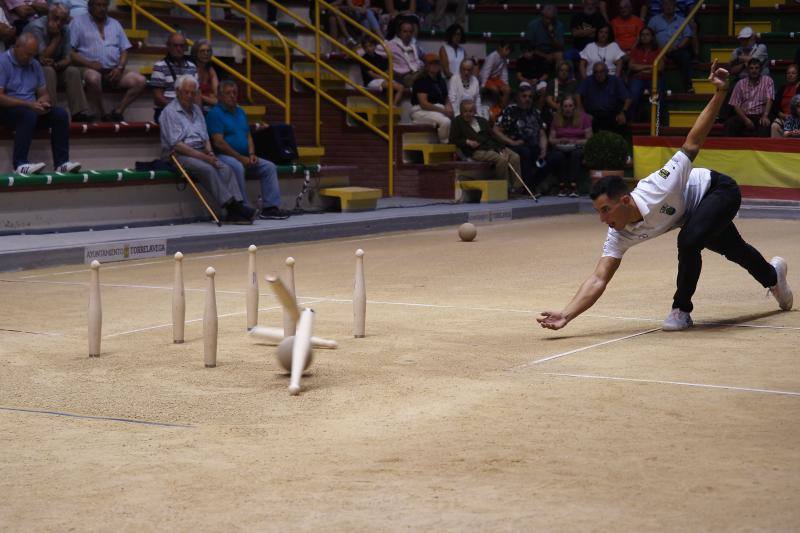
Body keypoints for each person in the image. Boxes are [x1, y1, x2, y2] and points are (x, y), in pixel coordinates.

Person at [537, 61, 793, 333]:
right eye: (599, 212)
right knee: (735, 249)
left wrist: (720, 93)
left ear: (624, 201)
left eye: (605, 210)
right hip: (692, 214)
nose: (602, 219)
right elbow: (599, 278)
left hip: (718, 191)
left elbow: (693, 141)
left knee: (689, 239)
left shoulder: (659, 186)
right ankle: (774, 276)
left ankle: (681, 310)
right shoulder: (618, 233)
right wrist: (567, 314)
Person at [159, 75, 255, 224]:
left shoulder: (197, 110)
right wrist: (206, 158)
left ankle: (237, 207)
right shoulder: (169, 112)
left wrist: (210, 153)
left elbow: (205, 138)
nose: (190, 96)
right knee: (208, 169)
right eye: (186, 92)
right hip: (180, 155)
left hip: (201, 152)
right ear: (177, 91)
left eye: (193, 93)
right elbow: (177, 144)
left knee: (225, 168)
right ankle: (234, 208)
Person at [206, 81, 291, 220]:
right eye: (228, 93)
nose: (233, 96)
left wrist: (251, 154)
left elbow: (248, 136)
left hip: (245, 156)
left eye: (234, 93)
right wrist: (241, 158)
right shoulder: (215, 114)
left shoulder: (240, 112)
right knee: (237, 167)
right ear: (219, 96)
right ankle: (243, 208)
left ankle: (270, 208)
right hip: (223, 156)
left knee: (269, 167)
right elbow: (219, 143)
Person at [0, 32, 80, 175]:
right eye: (27, 54)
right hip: (7, 110)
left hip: (30, 110)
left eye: (33, 55)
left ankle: (61, 163)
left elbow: (43, 93)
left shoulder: (34, 64)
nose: (30, 59)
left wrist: (44, 102)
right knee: (28, 114)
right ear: (16, 47)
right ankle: (19, 164)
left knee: (60, 114)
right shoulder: (2, 62)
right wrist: (28, 104)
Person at [69, 0, 146, 121]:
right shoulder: (77, 22)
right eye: (98, 5)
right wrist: (89, 64)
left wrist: (120, 68)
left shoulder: (115, 24)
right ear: (90, 5)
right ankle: (103, 114)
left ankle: (118, 111)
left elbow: (125, 49)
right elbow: (70, 52)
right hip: (88, 68)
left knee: (140, 80)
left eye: (105, 5)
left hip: (113, 70)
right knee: (93, 78)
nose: (102, 8)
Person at [24, 3, 93, 122]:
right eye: (56, 18)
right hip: (30, 69)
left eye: (63, 20)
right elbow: (43, 56)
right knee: (48, 70)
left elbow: (68, 57)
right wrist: (56, 39)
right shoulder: (36, 27)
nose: (59, 23)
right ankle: (51, 111)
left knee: (72, 71)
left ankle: (79, 113)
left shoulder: (65, 29)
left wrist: (57, 64)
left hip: (53, 66)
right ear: (48, 15)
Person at [449, 99, 522, 189]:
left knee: (515, 156)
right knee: (502, 160)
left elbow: (493, 136)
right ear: (461, 111)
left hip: (492, 146)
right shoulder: (457, 122)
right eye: (465, 111)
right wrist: (467, 142)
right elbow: (452, 140)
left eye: (471, 111)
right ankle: (503, 188)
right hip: (477, 151)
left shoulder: (482, 121)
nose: (468, 114)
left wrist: (502, 148)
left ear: (474, 111)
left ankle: (517, 187)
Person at [494, 85, 548, 193]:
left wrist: (544, 150)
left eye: (530, 97)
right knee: (525, 152)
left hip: (534, 146)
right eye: (524, 96)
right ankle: (528, 188)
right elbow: (496, 130)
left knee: (553, 157)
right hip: (516, 146)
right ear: (518, 97)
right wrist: (512, 142)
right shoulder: (510, 111)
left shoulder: (535, 112)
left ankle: (532, 183)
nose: (527, 99)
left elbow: (542, 134)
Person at [547, 94, 592, 197]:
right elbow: (551, 139)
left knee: (576, 154)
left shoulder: (584, 118)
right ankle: (562, 186)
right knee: (558, 155)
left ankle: (573, 186)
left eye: (570, 106)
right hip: (561, 147)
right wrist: (560, 140)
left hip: (578, 146)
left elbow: (590, 139)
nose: (568, 109)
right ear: (562, 108)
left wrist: (576, 142)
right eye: (565, 106)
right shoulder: (556, 118)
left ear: (575, 107)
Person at [648, 0, 693, 93]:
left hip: (676, 49)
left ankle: (688, 87)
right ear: (662, 7)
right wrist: (658, 48)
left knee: (685, 56)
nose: (668, 7)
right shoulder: (654, 20)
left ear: (675, 7)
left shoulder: (682, 20)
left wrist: (677, 47)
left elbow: (687, 36)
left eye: (671, 4)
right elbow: (648, 35)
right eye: (666, 4)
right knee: (654, 60)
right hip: (658, 50)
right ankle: (656, 89)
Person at [151, 33, 198, 122]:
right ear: (168, 47)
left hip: (189, 110)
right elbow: (158, 98)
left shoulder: (192, 67)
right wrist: (179, 109)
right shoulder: (160, 66)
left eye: (181, 46)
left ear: (185, 48)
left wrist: (198, 112)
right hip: (166, 111)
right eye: (175, 46)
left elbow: (196, 94)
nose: (178, 49)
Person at [578, 61, 631, 135]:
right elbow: (577, 95)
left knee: (622, 122)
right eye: (596, 72)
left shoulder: (615, 80)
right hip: (593, 114)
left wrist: (623, 113)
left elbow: (628, 99)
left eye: (602, 71)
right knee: (585, 121)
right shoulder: (588, 81)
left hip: (612, 114)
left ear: (607, 71)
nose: (599, 74)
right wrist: (582, 112)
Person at [725, 58, 773, 137]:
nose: (754, 70)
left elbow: (769, 99)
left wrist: (765, 115)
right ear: (747, 70)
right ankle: (730, 148)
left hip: (760, 115)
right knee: (730, 123)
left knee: (765, 124)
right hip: (744, 115)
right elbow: (735, 104)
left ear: (760, 69)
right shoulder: (740, 83)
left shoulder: (767, 81)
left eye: (757, 68)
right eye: (751, 68)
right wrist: (745, 119)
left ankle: (761, 149)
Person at [410, 53, 452, 142]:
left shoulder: (441, 81)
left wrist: (448, 108)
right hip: (421, 111)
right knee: (445, 121)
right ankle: (445, 146)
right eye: (431, 63)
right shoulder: (421, 81)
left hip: (437, 110)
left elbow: (446, 98)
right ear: (426, 66)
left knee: (456, 120)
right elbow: (424, 104)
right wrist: (444, 111)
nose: (435, 66)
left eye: (437, 63)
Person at [627, 26, 664, 122]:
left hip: (654, 78)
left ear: (652, 37)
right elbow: (632, 66)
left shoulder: (658, 50)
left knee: (658, 97)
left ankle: (658, 123)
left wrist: (641, 68)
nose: (644, 37)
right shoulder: (636, 49)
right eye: (642, 35)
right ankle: (632, 122)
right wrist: (650, 67)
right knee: (633, 97)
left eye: (647, 34)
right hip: (638, 77)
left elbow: (659, 68)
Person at [361, 34, 404, 105]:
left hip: (383, 79)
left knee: (401, 87)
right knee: (391, 85)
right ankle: (390, 105)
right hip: (371, 82)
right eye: (366, 47)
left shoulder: (379, 57)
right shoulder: (364, 59)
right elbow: (372, 75)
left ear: (375, 46)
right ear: (363, 48)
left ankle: (393, 105)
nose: (368, 49)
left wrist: (387, 74)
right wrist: (385, 77)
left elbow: (387, 70)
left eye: (370, 46)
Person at [379, 19, 423, 87]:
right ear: (399, 33)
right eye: (405, 32)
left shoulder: (415, 45)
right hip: (401, 76)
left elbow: (423, 56)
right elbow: (375, 49)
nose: (408, 34)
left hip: (416, 72)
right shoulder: (392, 44)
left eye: (410, 32)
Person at [569, 0, 607, 73]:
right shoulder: (576, 16)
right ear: (584, 4)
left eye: (592, 4)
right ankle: (571, 80)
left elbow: (602, 34)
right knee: (567, 56)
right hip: (578, 49)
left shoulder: (599, 17)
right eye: (588, 4)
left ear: (595, 5)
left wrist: (582, 32)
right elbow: (575, 33)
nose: (590, 6)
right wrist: (594, 30)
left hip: (595, 50)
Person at [525, 4, 565, 75]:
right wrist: (545, 56)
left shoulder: (559, 26)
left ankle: (558, 82)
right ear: (542, 16)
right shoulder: (533, 25)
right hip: (538, 52)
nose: (549, 21)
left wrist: (552, 36)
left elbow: (560, 48)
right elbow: (530, 47)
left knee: (559, 55)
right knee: (528, 55)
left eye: (551, 19)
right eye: (546, 18)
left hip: (553, 53)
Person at [479, 41, 512, 111]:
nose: (508, 52)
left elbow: (504, 73)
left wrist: (505, 84)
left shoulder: (504, 59)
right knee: (495, 89)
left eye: (509, 50)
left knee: (508, 89)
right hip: (487, 79)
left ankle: (502, 109)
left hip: (496, 79)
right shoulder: (492, 56)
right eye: (506, 49)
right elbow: (486, 71)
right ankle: (500, 106)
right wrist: (483, 85)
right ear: (500, 48)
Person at [190, 39, 219, 113]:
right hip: (194, 106)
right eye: (202, 51)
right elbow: (194, 95)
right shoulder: (191, 68)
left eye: (208, 51)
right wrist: (212, 100)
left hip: (210, 106)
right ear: (195, 53)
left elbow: (218, 93)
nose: (206, 53)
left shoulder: (210, 69)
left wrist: (215, 100)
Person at [770, 64, 799, 138]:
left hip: (797, 118)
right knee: (775, 126)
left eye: (793, 73)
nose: (790, 75)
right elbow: (775, 106)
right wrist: (782, 115)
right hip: (784, 117)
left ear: (797, 75)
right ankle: (777, 148)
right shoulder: (782, 88)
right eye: (788, 73)